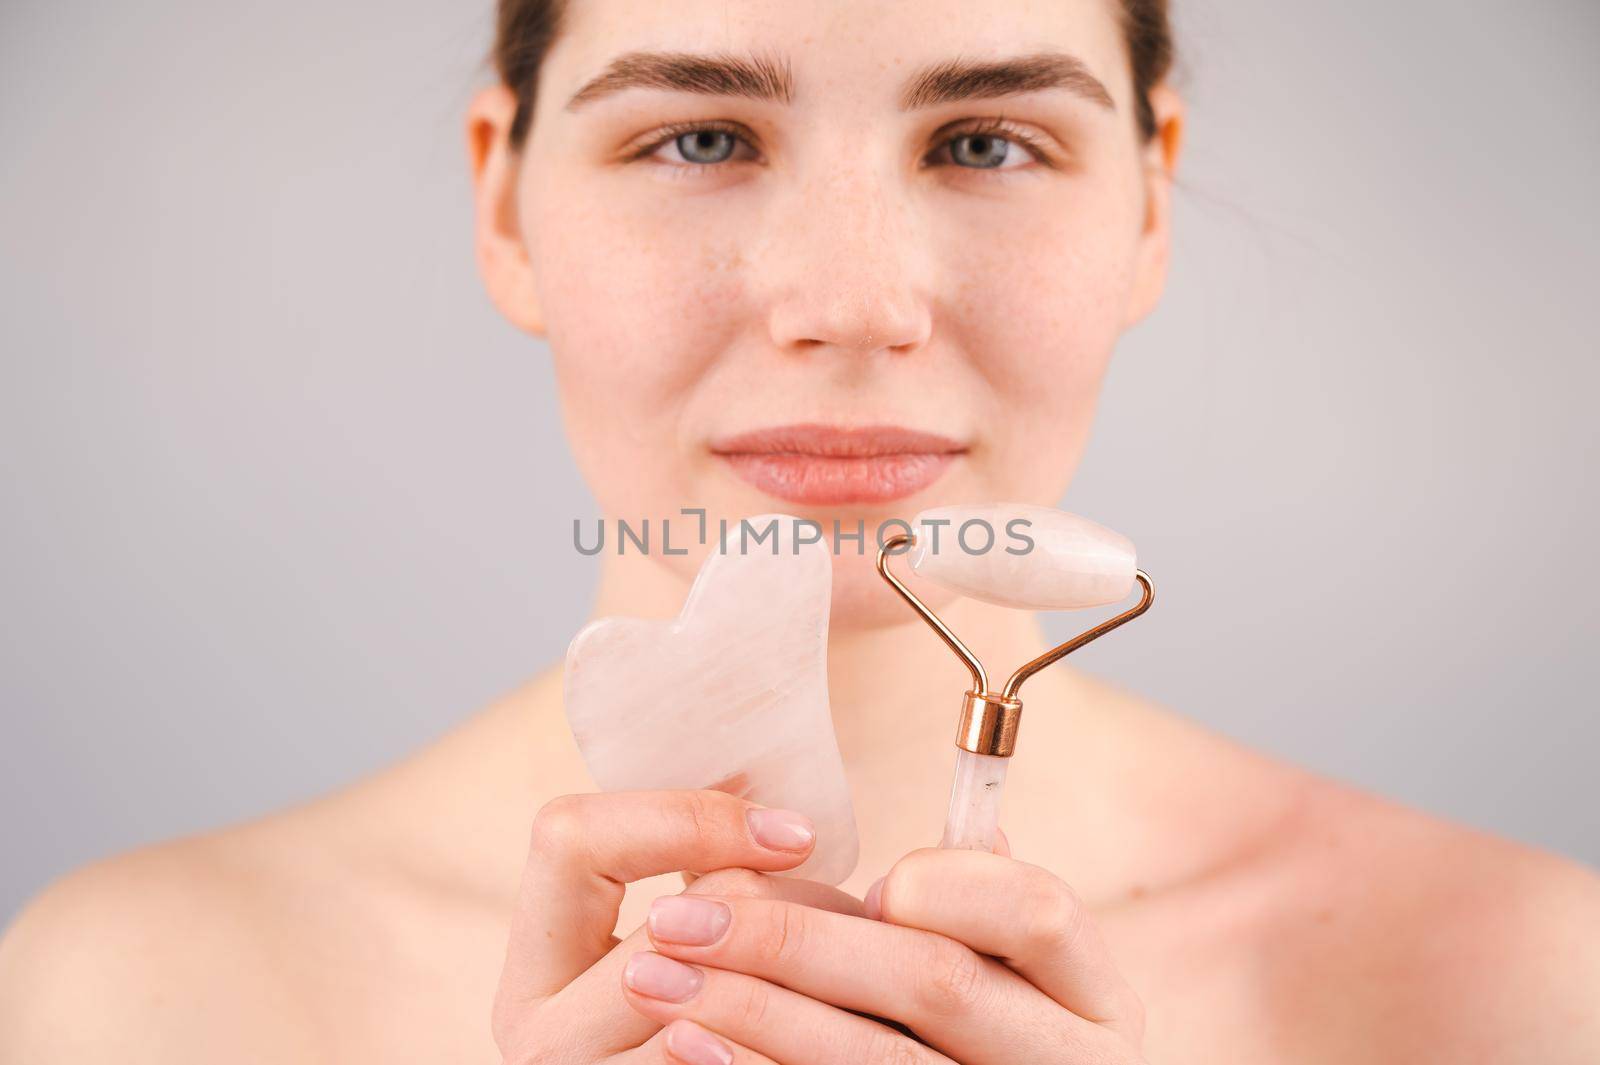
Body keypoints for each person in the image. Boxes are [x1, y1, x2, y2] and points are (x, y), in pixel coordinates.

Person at [3, 0, 1598, 1061]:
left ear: (1148, 209)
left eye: (984, 143)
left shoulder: (1514, 989)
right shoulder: (146, 999)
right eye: (699, 138)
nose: (849, 304)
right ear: (506, 210)